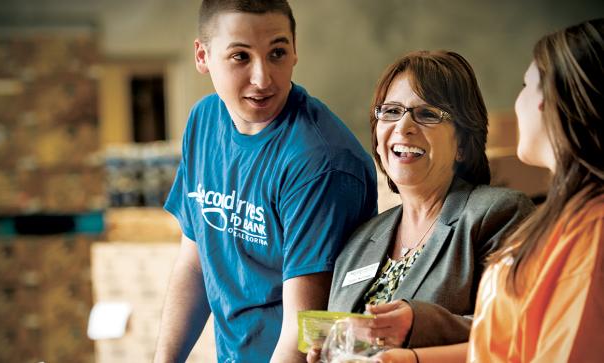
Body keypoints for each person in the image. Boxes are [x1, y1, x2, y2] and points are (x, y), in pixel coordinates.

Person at [154, 1, 378, 362]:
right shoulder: (204, 121)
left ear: (294, 50)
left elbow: (303, 334)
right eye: (240, 57)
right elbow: (194, 262)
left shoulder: (319, 161)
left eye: (277, 53)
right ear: (202, 56)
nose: (263, 78)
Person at [306, 50, 534, 363]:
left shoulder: (499, 214)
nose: (403, 127)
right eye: (391, 112)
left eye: (427, 114)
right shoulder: (359, 241)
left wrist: (414, 329)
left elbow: (518, 331)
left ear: (463, 145)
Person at [467, 18, 604, 363]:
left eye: (526, 85)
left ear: (549, 100)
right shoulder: (562, 216)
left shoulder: (593, 231)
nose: (519, 101)